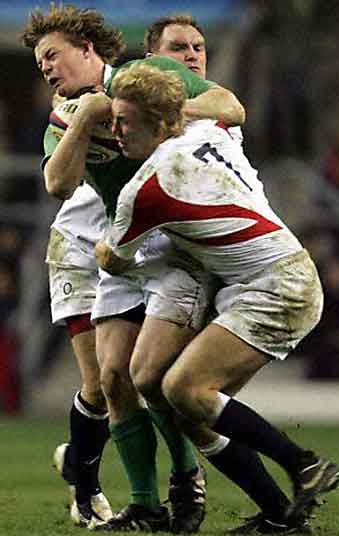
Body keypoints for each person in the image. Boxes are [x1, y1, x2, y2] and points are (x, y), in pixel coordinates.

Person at [22, 5, 246, 532]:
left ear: (86, 48)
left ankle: (175, 482)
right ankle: (108, 490)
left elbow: (228, 105)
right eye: (39, 63)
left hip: (164, 247)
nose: (48, 69)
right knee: (110, 379)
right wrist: (88, 118)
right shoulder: (62, 116)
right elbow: (57, 183)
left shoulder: (149, 82)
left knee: (156, 377)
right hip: (96, 249)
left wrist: (162, 111)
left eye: (52, 55)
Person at [95, 63, 339, 534]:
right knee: (186, 404)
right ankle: (280, 517)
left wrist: (103, 246)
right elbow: (229, 108)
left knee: (184, 390)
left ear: (156, 120)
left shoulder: (145, 188)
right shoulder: (206, 130)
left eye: (125, 122)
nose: (116, 131)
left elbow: (115, 262)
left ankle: (304, 464)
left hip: (278, 288)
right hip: (278, 273)